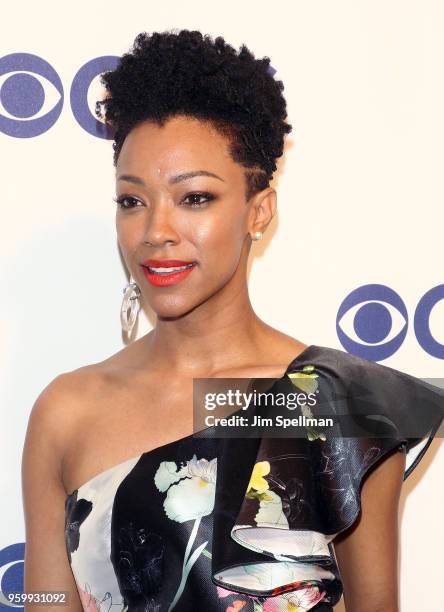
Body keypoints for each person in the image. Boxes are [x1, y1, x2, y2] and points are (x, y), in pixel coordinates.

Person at [21, 29, 443, 612]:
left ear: (259, 210)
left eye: (194, 198)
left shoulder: (330, 401)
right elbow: (43, 594)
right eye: (131, 200)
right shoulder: (67, 410)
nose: (155, 232)